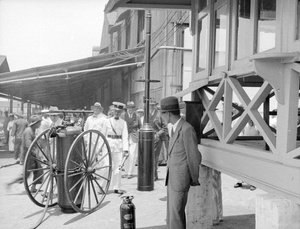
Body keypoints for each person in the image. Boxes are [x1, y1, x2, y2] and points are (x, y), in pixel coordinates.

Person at [159, 96, 202, 229]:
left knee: (176, 214)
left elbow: (194, 157)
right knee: (172, 215)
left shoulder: (186, 129)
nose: (161, 116)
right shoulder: (173, 128)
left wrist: (194, 178)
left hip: (180, 180)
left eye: (162, 113)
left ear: (169, 113)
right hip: (172, 178)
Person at [7, 115, 43, 192]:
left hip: (31, 155)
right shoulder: (28, 131)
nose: (40, 124)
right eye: (39, 122)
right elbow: (28, 144)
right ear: (35, 123)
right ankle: (10, 183)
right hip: (28, 155)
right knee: (25, 175)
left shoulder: (32, 130)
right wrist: (36, 152)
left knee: (39, 170)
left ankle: (33, 187)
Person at [103, 102, 129, 194]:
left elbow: (125, 136)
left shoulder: (123, 123)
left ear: (122, 112)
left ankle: (116, 187)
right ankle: (102, 187)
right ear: (113, 111)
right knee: (106, 166)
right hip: (108, 145)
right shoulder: (107, 121)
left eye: (119, 111)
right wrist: (100, 148)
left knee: (118, 168)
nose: (117, 113)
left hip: (118, 146)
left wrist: (126, 149)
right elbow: (102, 135)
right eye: (116, 111)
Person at [149, 99, 168, 181]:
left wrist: (158, 134)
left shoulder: (160, 114)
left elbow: (165, 127)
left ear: (156, 105)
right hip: (148, 137)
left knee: (154, 156)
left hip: (157, 138)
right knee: (148, 156)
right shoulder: (147, 114)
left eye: (153, 105)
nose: (152, 107)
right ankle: (153, 175)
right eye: (150, 105)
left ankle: (153, 175)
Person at [121, 101, 141, 179]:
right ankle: (126, 171)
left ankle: (130, 172)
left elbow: (140, 126)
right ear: (127, 109)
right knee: (125, 154)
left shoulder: (137, 116)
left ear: (134, 109)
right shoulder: (123, 116)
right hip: (125, 137)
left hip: (134, 137)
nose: (130, 110)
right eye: (129, 108)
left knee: (132, 155)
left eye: (132, 108)